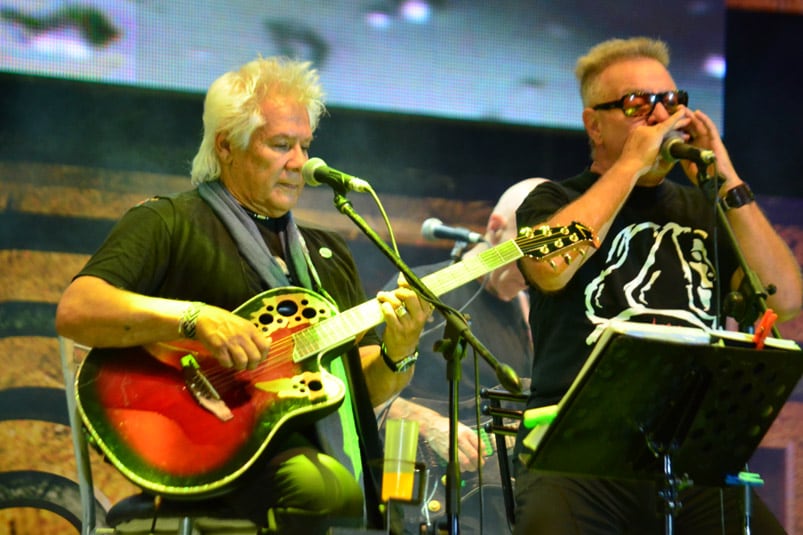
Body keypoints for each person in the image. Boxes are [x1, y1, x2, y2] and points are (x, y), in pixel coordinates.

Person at [55, 56, 432, 534]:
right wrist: (196, 319)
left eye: (304, 145)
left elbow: (354, 393)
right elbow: (78, 309)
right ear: (227, 146)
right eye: (280, 145)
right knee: (325, 489)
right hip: (207, 449)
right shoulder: (169, 223)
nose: (300, 162)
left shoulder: (327, 253)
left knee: (398, 501)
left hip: (322, 457)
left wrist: (399, 351)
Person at [512, 37, 802, 534]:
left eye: (671, 102)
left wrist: (725, 173)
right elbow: (551, 266)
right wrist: (630, 166)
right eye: (636, 104)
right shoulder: (552, 200)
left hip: (687, 454)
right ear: (593, 124)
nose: (660, 116)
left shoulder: (704, 210)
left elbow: (786, 300)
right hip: (578, 454)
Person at [379, 179, 543, 533]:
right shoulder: (421, 288)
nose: (540, 265)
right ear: (496, 229)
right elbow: (360, 391)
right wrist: (428, 423)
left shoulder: (532, 318)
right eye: (531, 247)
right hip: (405, 484)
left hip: (495, 505)